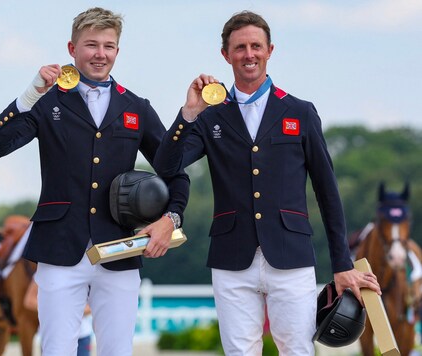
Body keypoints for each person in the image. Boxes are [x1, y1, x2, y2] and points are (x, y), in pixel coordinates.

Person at [153, 11, 381, 355]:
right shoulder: (209, 116)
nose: (249, 54)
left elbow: (327, 191)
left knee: (297, 350)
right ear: (225, 55)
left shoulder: (300, 112)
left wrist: (341, 264)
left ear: (270, 50)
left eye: (256, 46)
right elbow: (166, 165)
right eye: (240, 47)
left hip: (291, 255)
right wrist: (187, 114)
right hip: (231, 256)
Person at [0, 7, 189, 355]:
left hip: (120, 248)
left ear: (117, 51)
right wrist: (30, 94)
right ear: (72, 48)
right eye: (91, 44)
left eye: (108, 46)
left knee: (117, 350)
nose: (100, 54)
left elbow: (174, 171)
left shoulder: (137, 107)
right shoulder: (46, 102)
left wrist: (171, 219)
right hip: (59, 247)